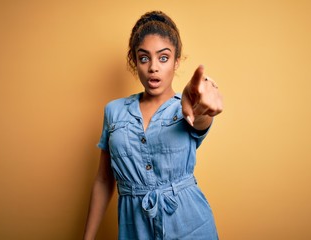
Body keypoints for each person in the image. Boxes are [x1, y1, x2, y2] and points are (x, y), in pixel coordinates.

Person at [84, 10, 223, 240]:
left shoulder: (186, 106)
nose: (153, 68)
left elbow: (198, 119)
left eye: (164, 57)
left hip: (191, 226)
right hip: (135, 229)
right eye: (144, 58)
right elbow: (103, 179)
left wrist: (202, 107)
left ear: (177, 61)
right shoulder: (114, 111)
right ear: (135, 61)